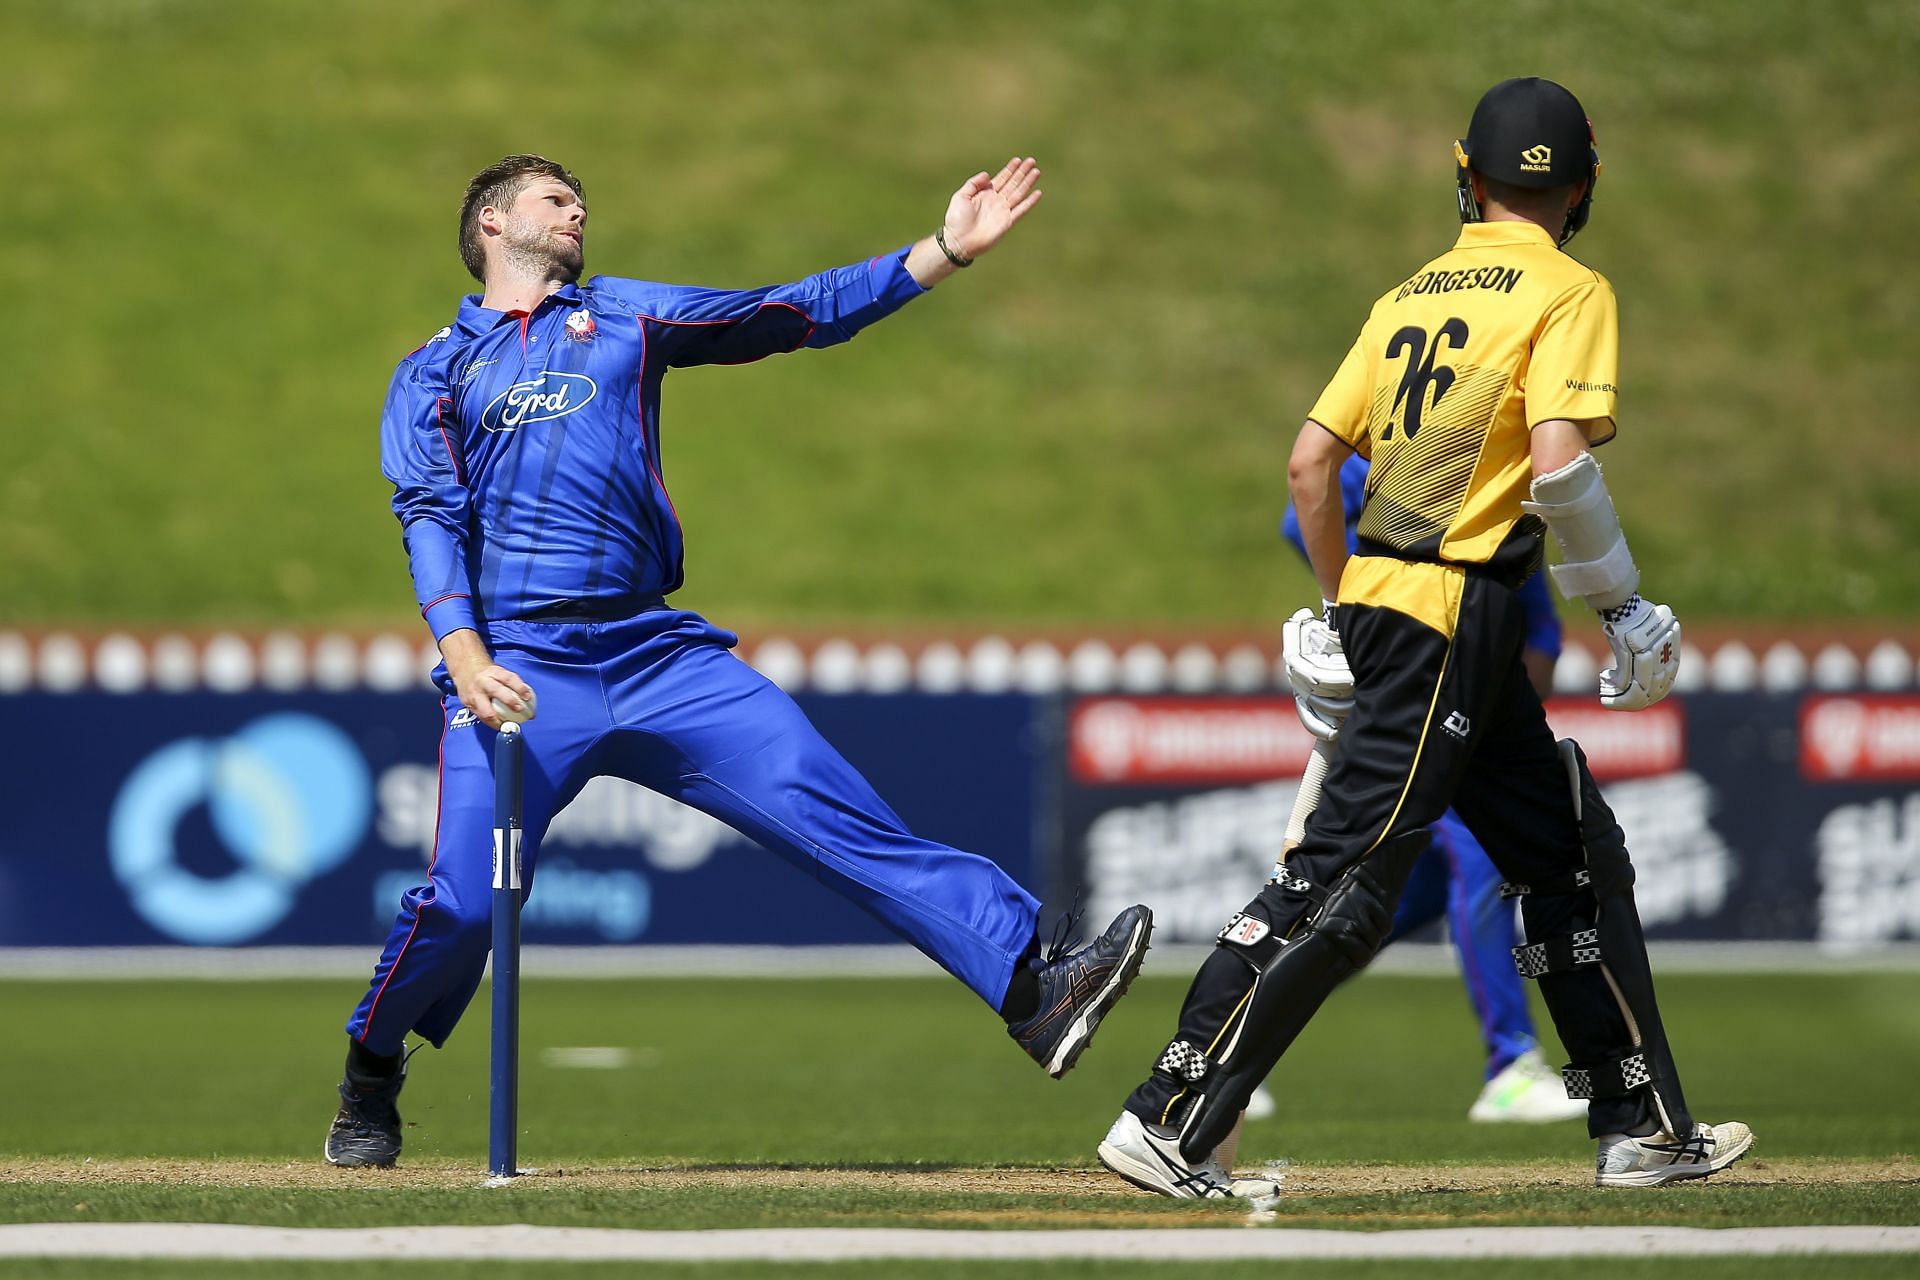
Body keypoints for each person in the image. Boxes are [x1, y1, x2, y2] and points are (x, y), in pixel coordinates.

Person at [324, 154, 1153, 1168]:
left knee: (825, 802)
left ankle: (1034, 983)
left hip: (654, 649)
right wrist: (463, 652)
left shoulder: (627, 316)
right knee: (462, 900)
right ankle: (371, 1068)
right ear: (492, 224)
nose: (578, 205)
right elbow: (428, 515)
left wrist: (941, 252)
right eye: (553, 196)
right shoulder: (435, 366)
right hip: (517, 667)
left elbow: (789, 311)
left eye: (580, 194)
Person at [1097, 78, 1752, 1198]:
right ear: (1582, 186)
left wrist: (1347, 602)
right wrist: (1623, 604)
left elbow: (1311, 464)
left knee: (1566, 849)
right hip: (1454, 609)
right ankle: (1167, 1114)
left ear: (1466, 173)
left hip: (1431, 611)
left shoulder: (1406, 295)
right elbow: (1559, 466)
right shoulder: (1568, 287)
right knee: (1345, 874)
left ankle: (1639, 1123)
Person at [1246, 455, 1584, 1126]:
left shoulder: (1507, 500)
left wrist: (1496, 725)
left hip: (1469, 723)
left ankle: (1240, 1037)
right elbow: (1300, 510)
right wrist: (1369, 605)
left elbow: (1540, 633)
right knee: (1459, 872)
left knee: (1377, 908)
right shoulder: (1405, 458)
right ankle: (1511, 1067)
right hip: (1412, 702)